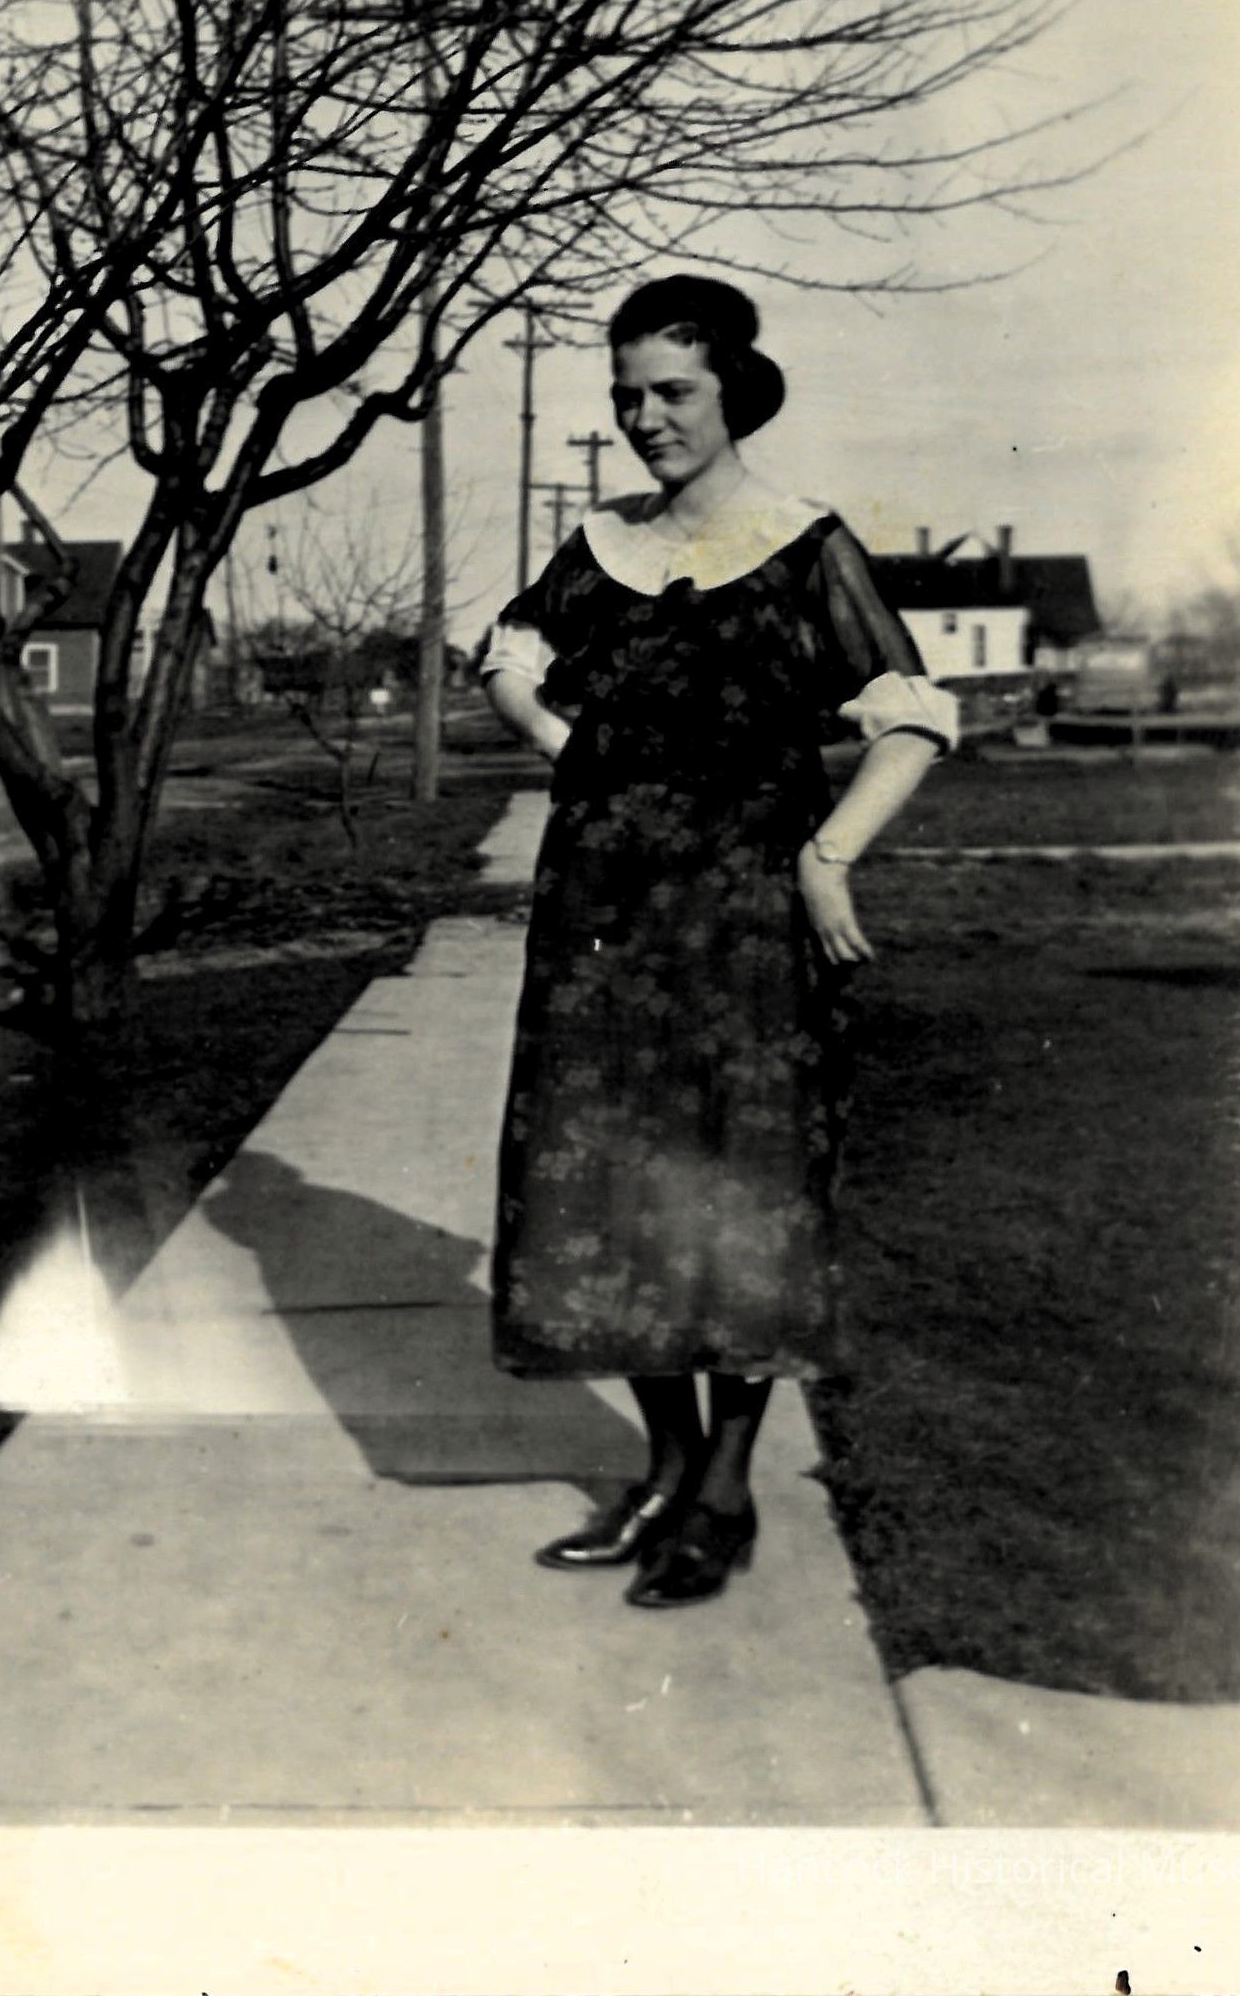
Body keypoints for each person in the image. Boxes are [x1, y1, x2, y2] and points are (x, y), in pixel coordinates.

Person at [480, 275, 956, 1610]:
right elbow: (512, 646)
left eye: (671, 392)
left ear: (733, 390)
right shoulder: (600, 546)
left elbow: (908, 717)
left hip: (743, 922)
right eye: (626, 395)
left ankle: (728, 1492)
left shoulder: (804, 546)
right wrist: (560, 740)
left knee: (738, 1197)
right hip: (601, 919)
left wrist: (827, 853)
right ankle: (667, 1469)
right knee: (615, 1191)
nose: (644, 418)